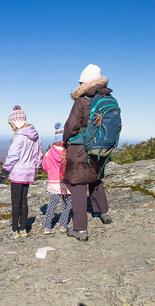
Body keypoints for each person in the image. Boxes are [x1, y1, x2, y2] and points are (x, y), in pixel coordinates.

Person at [63, 64, 113, 241]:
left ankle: (80, 229)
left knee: (78, 185)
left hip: (81, 148)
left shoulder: (83, 100)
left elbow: (71, 125)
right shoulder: (108, 97)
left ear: (85, 82)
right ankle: (104, 213)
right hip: (101, 147)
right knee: (95, 179)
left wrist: (64, 140)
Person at [0, 105, 43, 239]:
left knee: (15, 202)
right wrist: (36, 169)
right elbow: (39, 155)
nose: (11, 126)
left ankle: (15, 230)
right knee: (24, 201)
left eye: (11, 124)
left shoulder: (19, 137)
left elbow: (13, 157)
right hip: (28, 173)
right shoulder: (35, 136)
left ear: (15, 122)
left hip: (18, 173)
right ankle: (23, 229)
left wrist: (4, 171)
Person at [42, 122, 71, 234]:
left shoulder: (49, 153)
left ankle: (47, 227)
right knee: (67, 205)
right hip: (67, 183)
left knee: (52, 205)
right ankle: (63, 225)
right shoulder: (69, 152)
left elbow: (45, 167)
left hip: (53, 183)